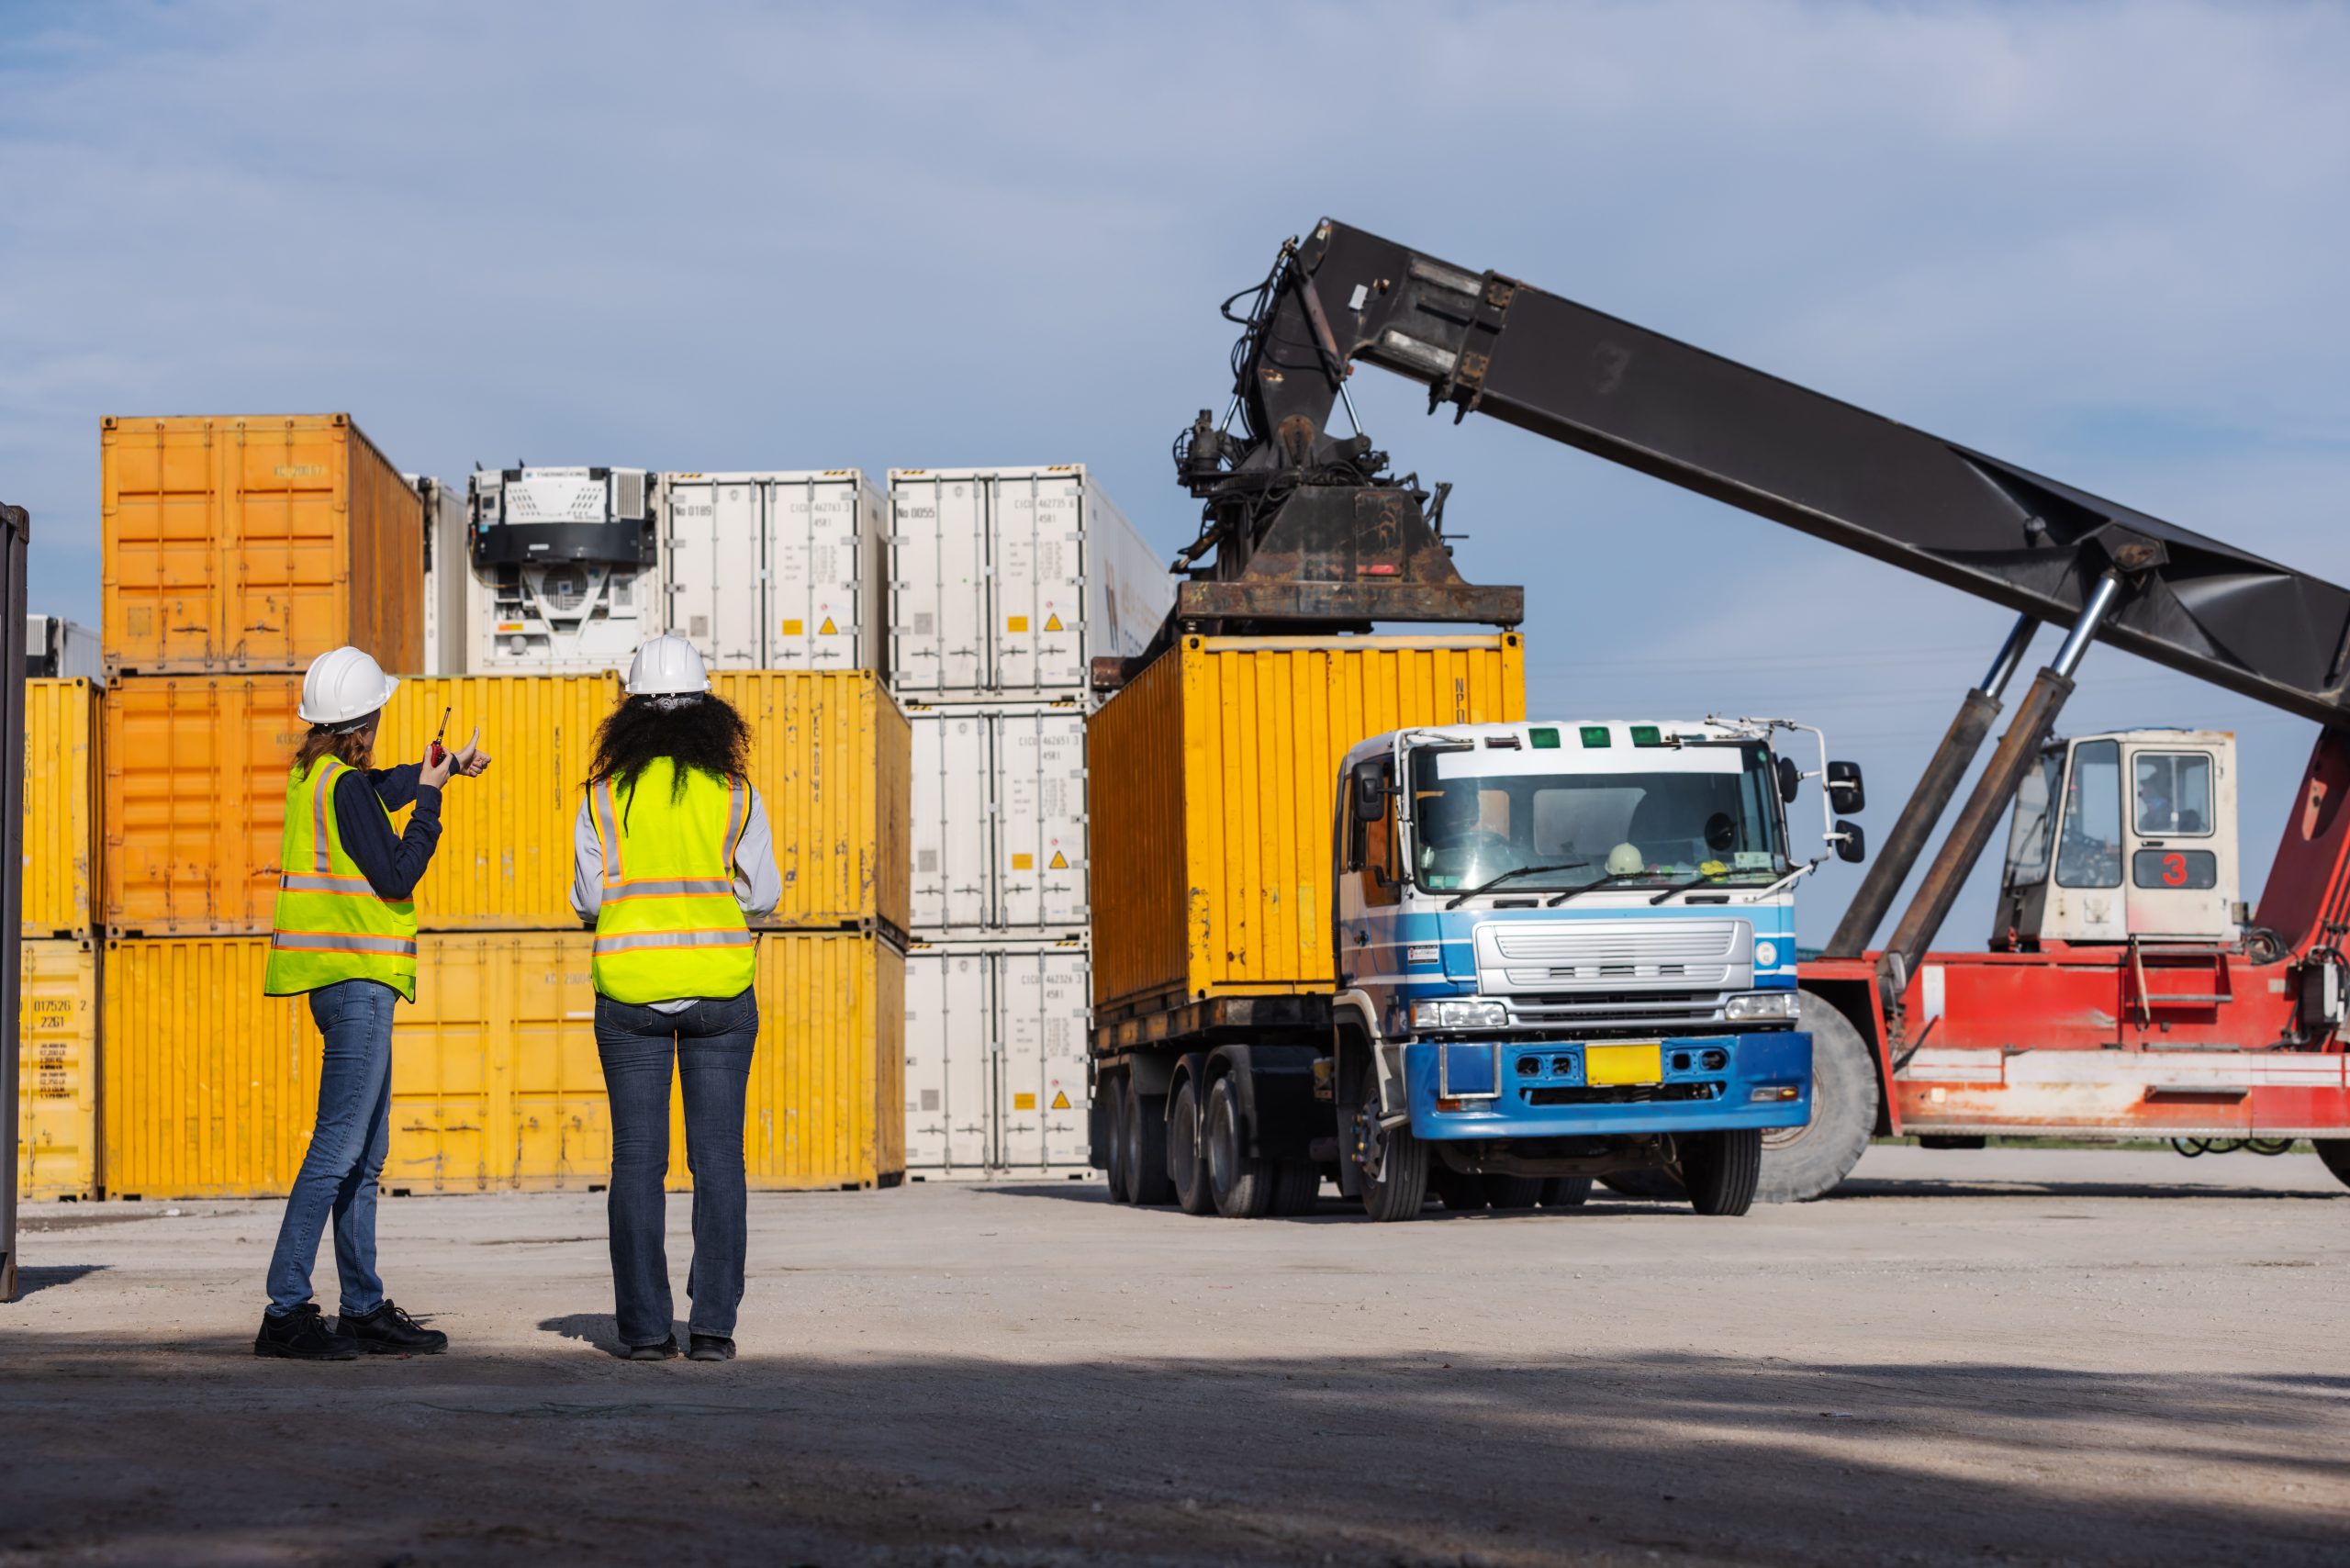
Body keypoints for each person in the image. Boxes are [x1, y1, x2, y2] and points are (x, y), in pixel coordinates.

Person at [255, 646, 491, 1361]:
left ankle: (361, 1307)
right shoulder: (345, 788)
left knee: (365, 1155)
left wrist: (429, 774)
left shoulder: (317, 776)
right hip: (356, 985)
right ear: (363, 725)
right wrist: (433, 802)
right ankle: (286, 1310)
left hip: (342, 981)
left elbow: (373, 792)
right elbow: (395, 871)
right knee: (337, 1149)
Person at [573, 636, 780, 1363]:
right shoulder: (735, 793)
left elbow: (589, 898)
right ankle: (714, 1328)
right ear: (709, 713)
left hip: (629, 996)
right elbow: (766, 894)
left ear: (629, 716)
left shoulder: (602, 798)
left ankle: (643, 1331)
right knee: (719, 1160)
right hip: (721, 997)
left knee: (637, 1161)